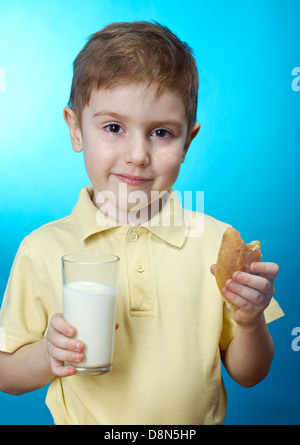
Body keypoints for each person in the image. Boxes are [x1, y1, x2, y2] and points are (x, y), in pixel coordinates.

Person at [0, 21, 283, 425]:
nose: (137, 155)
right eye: (113, 127)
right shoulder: (42, 248)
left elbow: (249, 374)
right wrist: (48, 355)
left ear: (187, 141)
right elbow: (6, 374)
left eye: (162, 133)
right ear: (75, 128)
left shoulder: (216, 242)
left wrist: (249, 320)